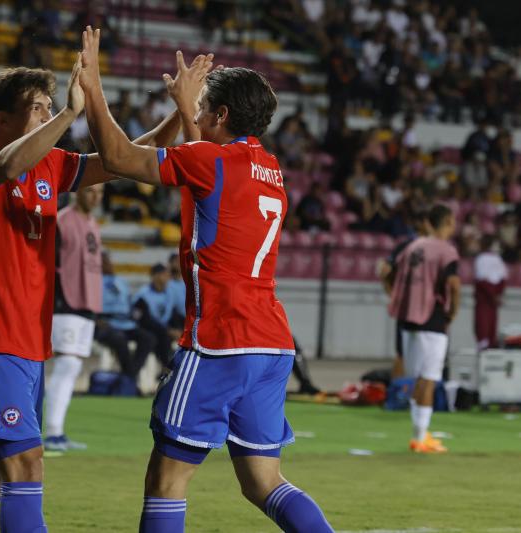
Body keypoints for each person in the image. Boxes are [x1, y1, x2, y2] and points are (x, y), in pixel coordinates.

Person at [79, 27, 333, 532]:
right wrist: (185, 108)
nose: (195, 111)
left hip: (220, 339)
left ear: (220, 115)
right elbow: (211, 170)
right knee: (264, 482)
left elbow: (118, 158)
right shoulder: (269, 167)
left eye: (202, 106)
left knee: (167, 479)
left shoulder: (209, 160)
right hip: (271, 342)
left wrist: (92, 88)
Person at [0, 57, 182, 533]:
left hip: (28, 345)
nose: (49, 114)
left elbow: (126, 158)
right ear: (2, 119)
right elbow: (7, 164)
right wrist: (69, 114)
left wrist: (179, 110)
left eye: (51, 106)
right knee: (26, 467)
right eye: (38, 108)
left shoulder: (51, 164)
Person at [388, 204, 461, 454]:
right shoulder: (446, 250)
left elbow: (388, 271)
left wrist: (395, 297)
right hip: (432, 317)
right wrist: (453, 311)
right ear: (448, 222)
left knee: (418, 377)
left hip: (407, 318)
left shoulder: (412, 247)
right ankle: (420, 438)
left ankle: (419, 434)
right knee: (429, 378)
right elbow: (453, 283)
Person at [44, 184, 103, 452]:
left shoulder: (93, 223)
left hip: (87, 303)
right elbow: (48, 261)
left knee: (74, 366)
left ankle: (57, 432)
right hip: (65, 300)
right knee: (66, 364)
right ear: (77, 191)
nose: (96, 197)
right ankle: (52, 432)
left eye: (100, 193)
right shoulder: (61, 221)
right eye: (91, 191)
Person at [379, 210, 432, 378]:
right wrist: (393, 294)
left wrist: (393, 294)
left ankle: (401, 389)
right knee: (412, 352)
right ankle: (403, 388)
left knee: (405, 351)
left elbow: (384, 270)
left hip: (414, 306)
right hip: (420, 306)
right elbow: (385, 270)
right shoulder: (413, 247)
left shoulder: (408, 246)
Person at [96, 251, 157, 390]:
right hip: (105, 323)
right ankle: (130, 381)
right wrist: (96, 319)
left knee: (148, 338)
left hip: (126, 323)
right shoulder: (94, 281)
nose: (108, 264)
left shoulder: (121, 281)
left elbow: (130, 303)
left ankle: (129, 376)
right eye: (104, 261)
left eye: (108, 261)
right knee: (120, 340)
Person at [131, 263, 180, 367]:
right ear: (156, 276)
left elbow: (173, 313)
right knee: (160, 337)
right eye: (165, 275)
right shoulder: (143, 294)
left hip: (164, 329)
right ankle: (166, 367)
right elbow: (143, 320)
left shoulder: (169, 293)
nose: (168, 278)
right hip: (148, 328)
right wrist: (168, 330)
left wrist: (179, 329)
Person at [473, 234, 506, 350]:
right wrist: (497, 294)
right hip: (490, 298)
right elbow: (501, 280)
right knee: (489, 323)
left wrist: (494, 295)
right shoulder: (496, 259)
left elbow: (482, 280)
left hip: (486, 299)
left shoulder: (482, 259)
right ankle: (489, 343)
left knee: (484, 323)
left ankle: (487, 343)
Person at [166, 252, 186, 325]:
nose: (177, 263)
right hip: (172, 320)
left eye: (178, 261)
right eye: (175, 261)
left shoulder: (188, 282)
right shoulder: (166, 284)